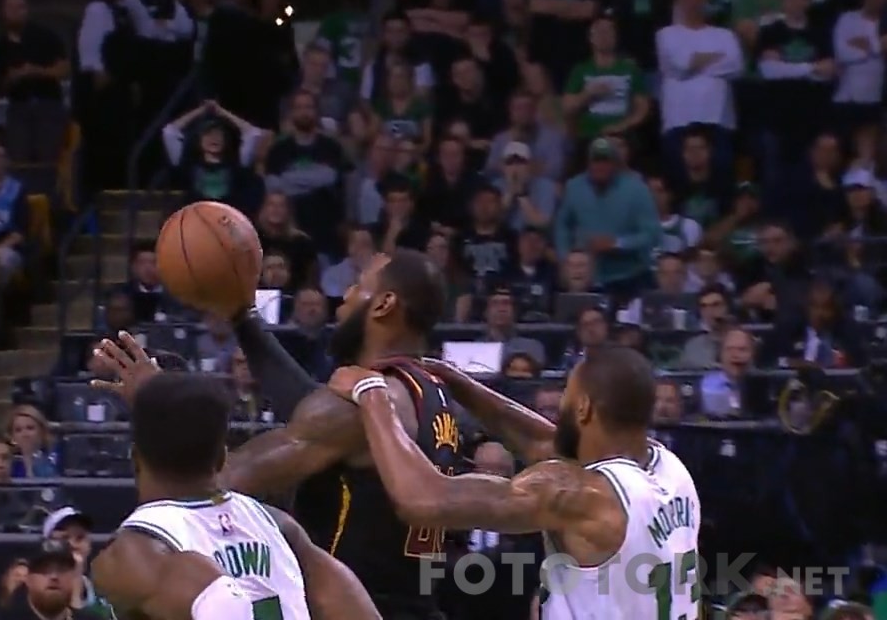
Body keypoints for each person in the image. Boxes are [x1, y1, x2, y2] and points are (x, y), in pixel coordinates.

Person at [95, 250, 465, 620]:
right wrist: (242, 317)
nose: (346, 294)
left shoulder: (363, 407)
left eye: (358, 285)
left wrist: (162, 407)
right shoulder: (429, 391)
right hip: (413, 604)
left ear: (384, 304)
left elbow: (216, 481)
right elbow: (308, 406)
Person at [326, 346, 702, 620]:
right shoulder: (671, 470)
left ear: (584, 408)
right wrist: (457, 383)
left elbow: (423, 501)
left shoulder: (584, 496)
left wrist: (372, 395)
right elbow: (542, 441)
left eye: (567, 397)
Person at [89, 372, 380, 620]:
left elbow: (223, 604)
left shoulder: (136, 550)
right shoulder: (278, 526)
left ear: (135, 459)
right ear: (222, 459)